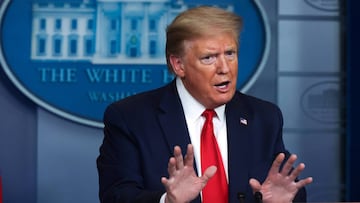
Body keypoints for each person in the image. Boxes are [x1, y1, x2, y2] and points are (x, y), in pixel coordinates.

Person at [96, 5, 313, 203]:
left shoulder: (263, 117)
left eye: (230, 54)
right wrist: (167, 201)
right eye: (209, 58)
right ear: (178, 65)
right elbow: (116, 196)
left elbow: (285, 189)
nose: (224, 68)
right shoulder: (130, 118)